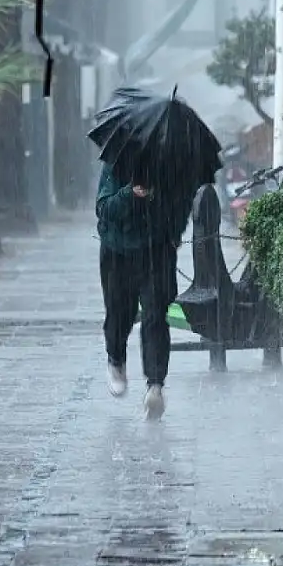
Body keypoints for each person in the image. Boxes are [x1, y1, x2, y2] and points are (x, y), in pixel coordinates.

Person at [95, 155, 194, 420]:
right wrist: (130, 194)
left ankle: (155, 385)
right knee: (119, 313)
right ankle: (116, 358)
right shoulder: (116, 164)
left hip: (156, 253)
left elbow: (181, 206)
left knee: (155, 317)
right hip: (118, 254)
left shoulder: (169, 166)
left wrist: (172, 228)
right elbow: (103, 208)